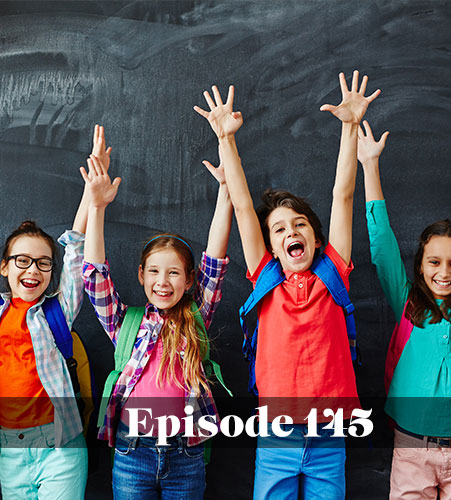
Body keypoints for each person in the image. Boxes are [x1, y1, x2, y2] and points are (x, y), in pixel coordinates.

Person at [194, 71, 380, 499]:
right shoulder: (266, 277)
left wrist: (350, 127)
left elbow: (343, 196)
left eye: (299, 225)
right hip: (276, 435)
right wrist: (227, 140)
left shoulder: (332, 272)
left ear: (316, 238)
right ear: (272, 248)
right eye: (278, 229)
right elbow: (243, 208)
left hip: (329, 434)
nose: (290, 232)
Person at [358, 119, 451, 500]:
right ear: (420, 265)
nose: (444, 272)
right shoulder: (407, 305)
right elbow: (383, 245)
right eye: (434, 262)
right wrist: (370, 166)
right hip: (412, 450)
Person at [81, 146, 232, 500]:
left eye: (174, 272)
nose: (163, 281)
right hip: (133, 452)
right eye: (154, 271)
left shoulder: (196, 318)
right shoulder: (126, 323)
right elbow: (94, 277)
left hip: (186, 452)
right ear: (141, 275)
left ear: (189, 280)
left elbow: (215, 260)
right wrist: (97, 207)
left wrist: (227, 191)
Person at [0, 124, 111, 500]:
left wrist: (90, 195)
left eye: (44, 263)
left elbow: (76, 251)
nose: (33, 270)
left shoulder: (56, 312)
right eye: (22, 261)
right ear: (5, 267)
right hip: (7, 451)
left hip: (60, 444)